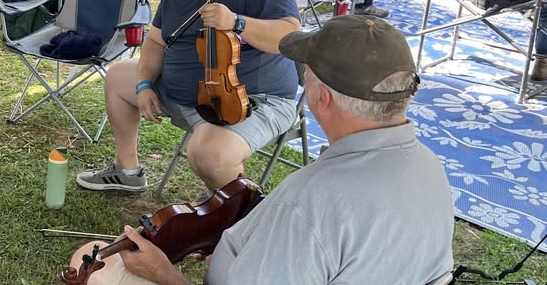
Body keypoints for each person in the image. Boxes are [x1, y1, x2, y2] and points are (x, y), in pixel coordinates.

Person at [70, 15, 455, 285]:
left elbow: (311, 230)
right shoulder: (429, 167)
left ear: (320, 98)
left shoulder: (308, 204)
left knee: (95, 260)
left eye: (305, 68)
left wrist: (163, 273)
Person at [76, 0, 301, 195]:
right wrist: (144, 84)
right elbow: (156, 40)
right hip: (185, 94)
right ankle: (127, 172)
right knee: (119, 76)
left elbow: (290, 37)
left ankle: (231, 211)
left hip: (248, 101)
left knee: (209, 153)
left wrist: (237, 22)